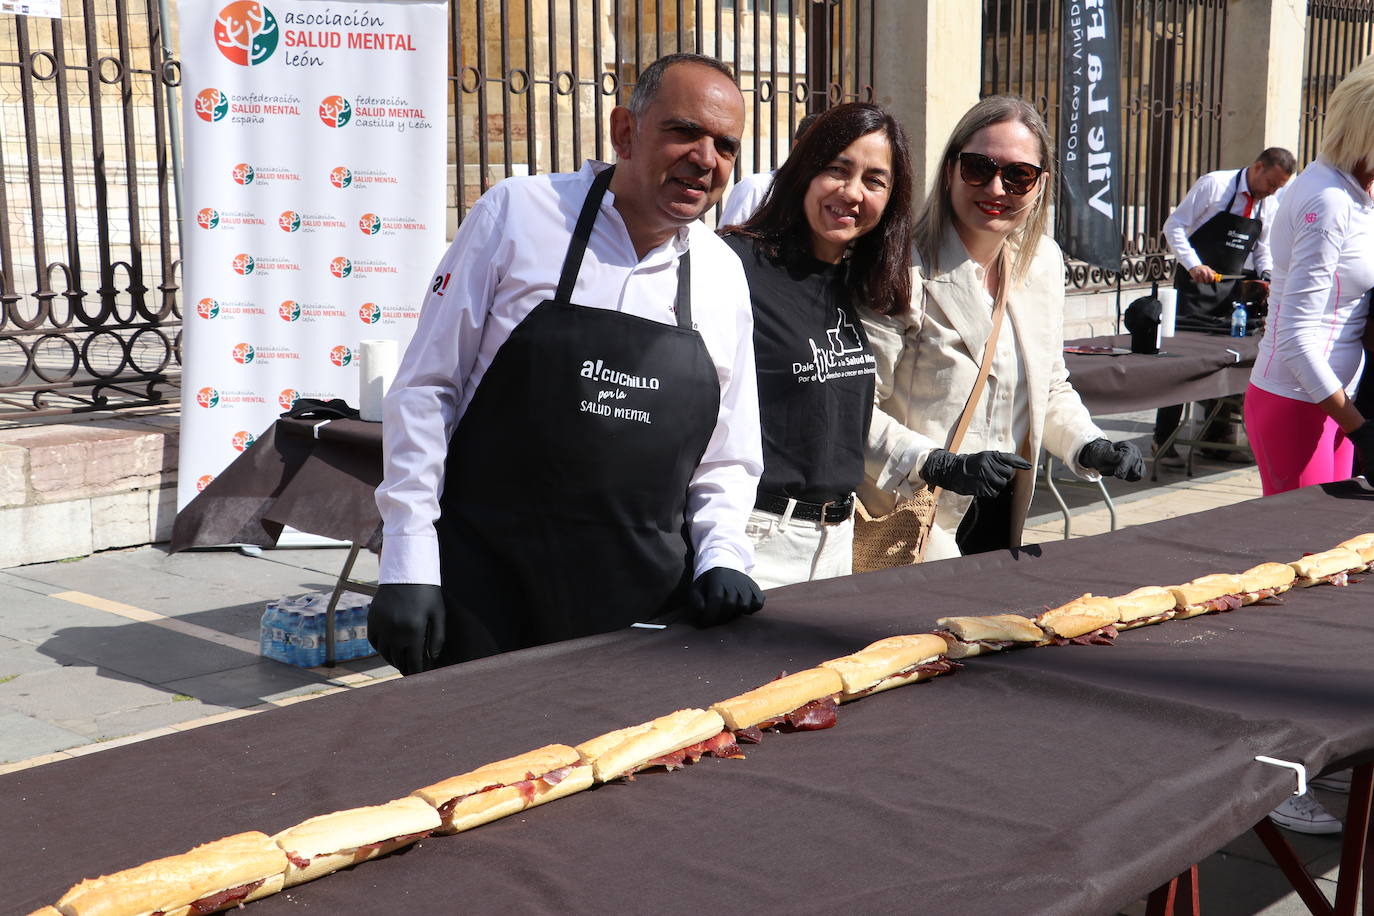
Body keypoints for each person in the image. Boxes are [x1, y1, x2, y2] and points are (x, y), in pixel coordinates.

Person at [369, 53, 766, 675]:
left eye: (725, 144)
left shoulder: (722, 274)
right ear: (625, 132)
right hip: (484, 593)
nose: (706, 158)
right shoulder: (517, 214)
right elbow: (426, 390)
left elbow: (729, 453)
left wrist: (722, 556)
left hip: (642, 612)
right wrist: (408, 561)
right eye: (685, 131)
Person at [861, 95, 1144, 560]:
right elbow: (856, 408)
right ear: (951, 168)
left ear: (1040, 184)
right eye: (978, 167)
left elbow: (1048, 386)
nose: (996, 188)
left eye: (1017, 175)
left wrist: (1089, 445)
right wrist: (936, 463)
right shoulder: (901, 264)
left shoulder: (1043, 263)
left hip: (1002, 516)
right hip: (912, 519)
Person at [1245, 57, 1374, 837]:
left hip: (1327, 408)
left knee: (1323, 585)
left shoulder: (1354, 192)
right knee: (1289, 596)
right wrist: (1360, 425)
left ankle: (1303, 755)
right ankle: (1270, 775)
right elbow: (1295, 335)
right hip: (1300, 406)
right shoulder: (1325, 198)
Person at [718, 102, 913, 588]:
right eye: (837, 170)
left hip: (836, 544)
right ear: (805, 171)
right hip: (754, 541)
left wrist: (937, 461)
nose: (852, 192)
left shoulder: (855, 282)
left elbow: (842, 418)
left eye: (874, 180)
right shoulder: (734, 265)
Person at [1153, 147, 1295, 466]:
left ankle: (1214, 440)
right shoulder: (1214, 185)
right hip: (1194, 287)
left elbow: (1262, 251)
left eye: (1279, 188)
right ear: (1258, 167)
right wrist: (1193, 264)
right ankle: (1163, 441)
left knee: (1224, 362)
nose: (1272, 192)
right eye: (1271, 183)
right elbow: (1173, 226)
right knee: (1182, 366)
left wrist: (1267, 276)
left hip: (1230, 292)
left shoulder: (1267, 205)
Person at [717, 113, 821, 226]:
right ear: (797, 146)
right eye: (819, 147)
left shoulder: (825, 198)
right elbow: (725, 241)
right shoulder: (755, 188)